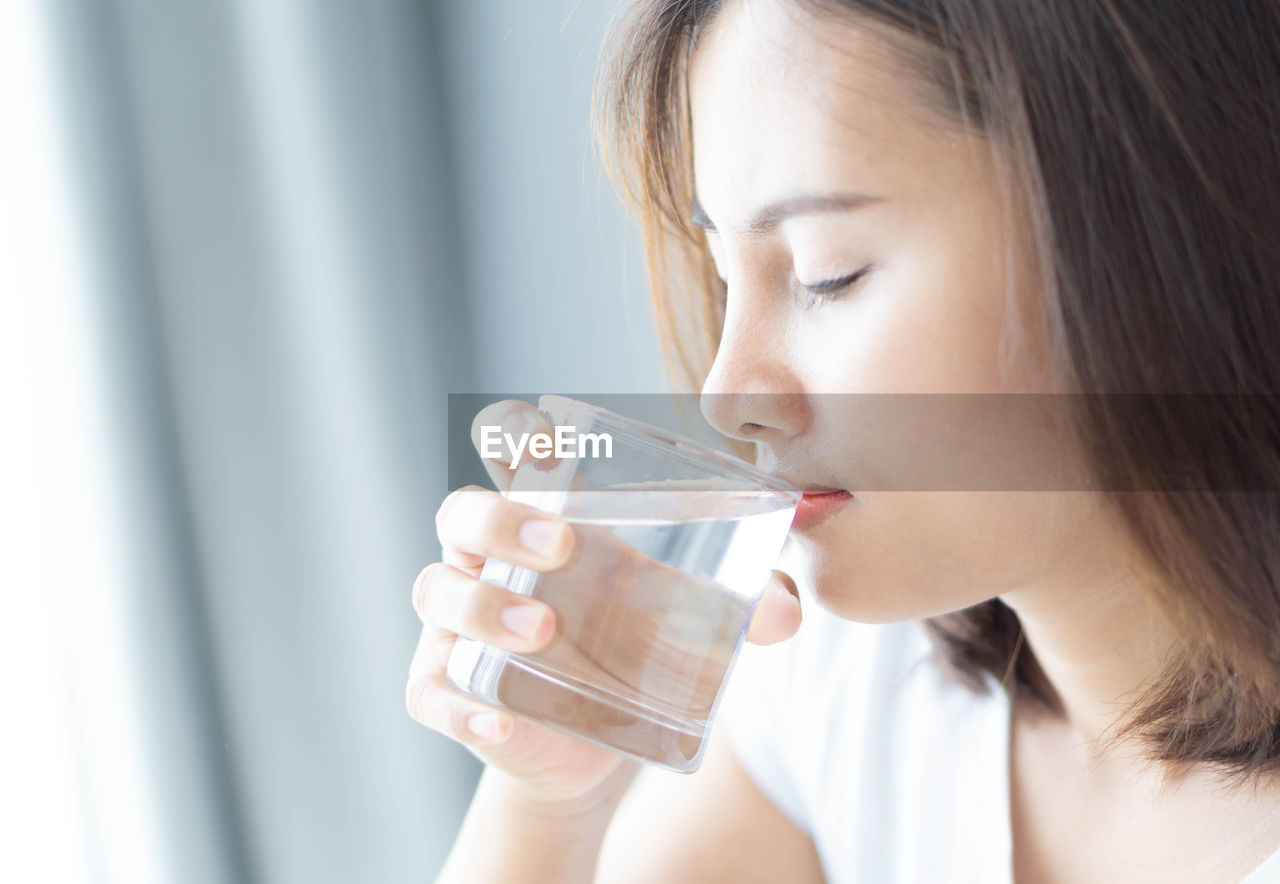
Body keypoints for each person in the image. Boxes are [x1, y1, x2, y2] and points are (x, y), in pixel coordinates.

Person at [408, 0, 1280, 880]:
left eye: (829, 271)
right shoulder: (844, 687)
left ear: (1152, 229)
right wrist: (549, 803)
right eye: (721, 280)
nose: (725, 394)